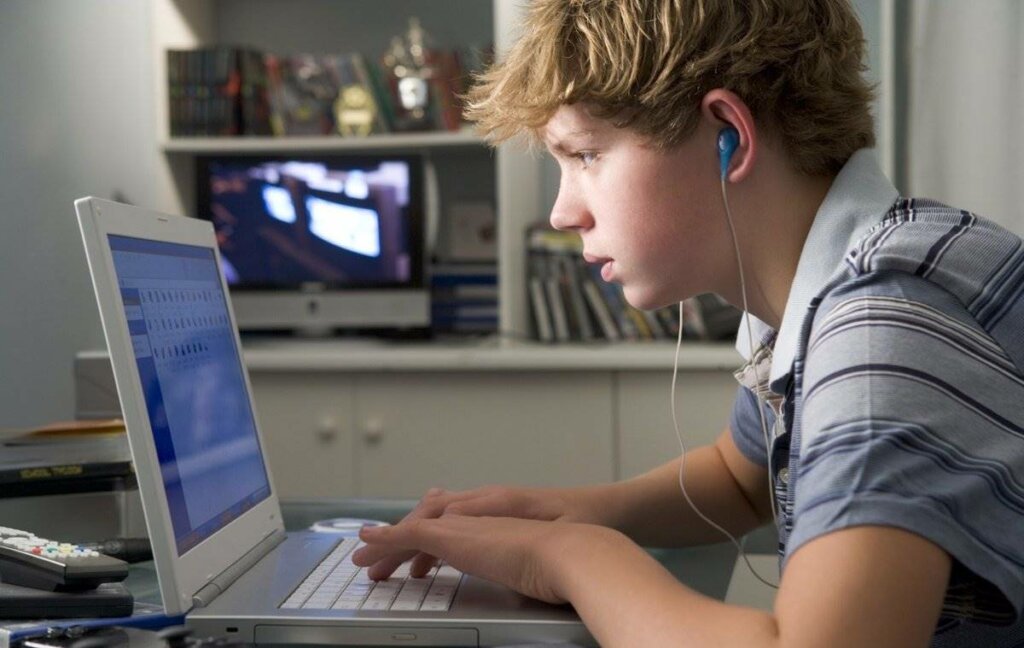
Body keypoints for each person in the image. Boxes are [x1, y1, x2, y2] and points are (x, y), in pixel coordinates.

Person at [352, 1, 1024, 645]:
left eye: (586, 155)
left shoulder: (880, 335)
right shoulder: (823, 287)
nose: (561, 213)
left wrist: (565, 555)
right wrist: (569, 512)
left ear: (729, 136)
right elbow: (738, 478)